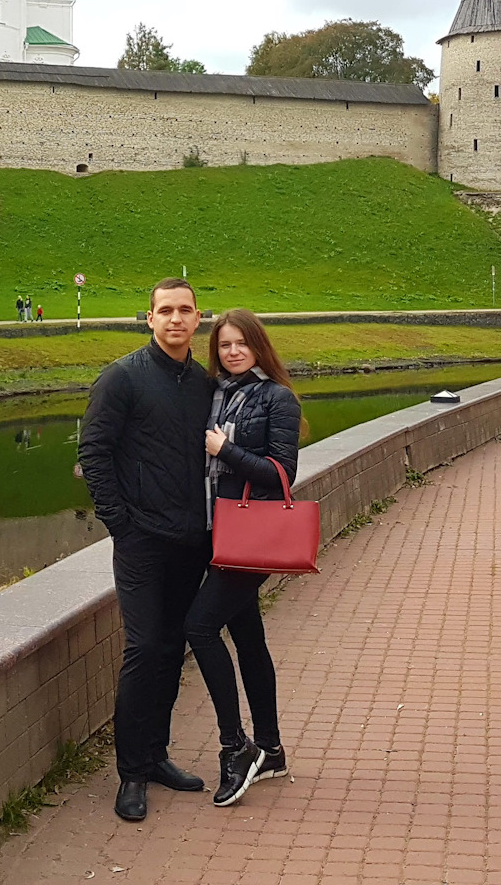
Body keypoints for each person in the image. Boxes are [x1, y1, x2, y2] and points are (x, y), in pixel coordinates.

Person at [78, 277, 213, 822]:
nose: (176, 319)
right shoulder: (123, 378)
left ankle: (156, 756)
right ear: (150, 318)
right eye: (166, 311)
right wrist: (121, 525)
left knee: (170, 648)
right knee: (143, 646)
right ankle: (131, 773)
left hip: (190, 541)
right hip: (142, 542)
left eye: (185, 311)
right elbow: (94, 451)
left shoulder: (203, 382)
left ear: (197, 319)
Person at [187, 308, 300, 808]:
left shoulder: (277, 398)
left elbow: (282, 474)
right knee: (249, 638)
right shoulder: (212, 394)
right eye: (225, 345)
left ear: (258, 345)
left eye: (241, 344)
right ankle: (271, 749)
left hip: (251, 540)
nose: (233, 352)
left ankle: (237, 747)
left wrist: (225, 450)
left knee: (199, 627)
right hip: (218, 535)